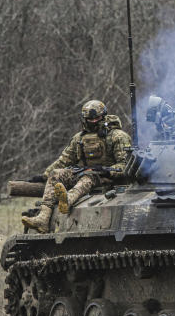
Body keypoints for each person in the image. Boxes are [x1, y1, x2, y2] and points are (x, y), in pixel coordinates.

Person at [21, 100, 132, 233]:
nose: (93, 121)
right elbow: (64, 160)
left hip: (108, 177)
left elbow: (125, 165)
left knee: (88, 177)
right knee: (56, 173)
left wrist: (107, 171)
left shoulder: (118, 136)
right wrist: (44, 175)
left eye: (96, 118)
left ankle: (67, 200)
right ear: (84, 119)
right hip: (86, 173)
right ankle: (43, 219)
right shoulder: (79, 138)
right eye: (90, 119)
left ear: (103, 117)